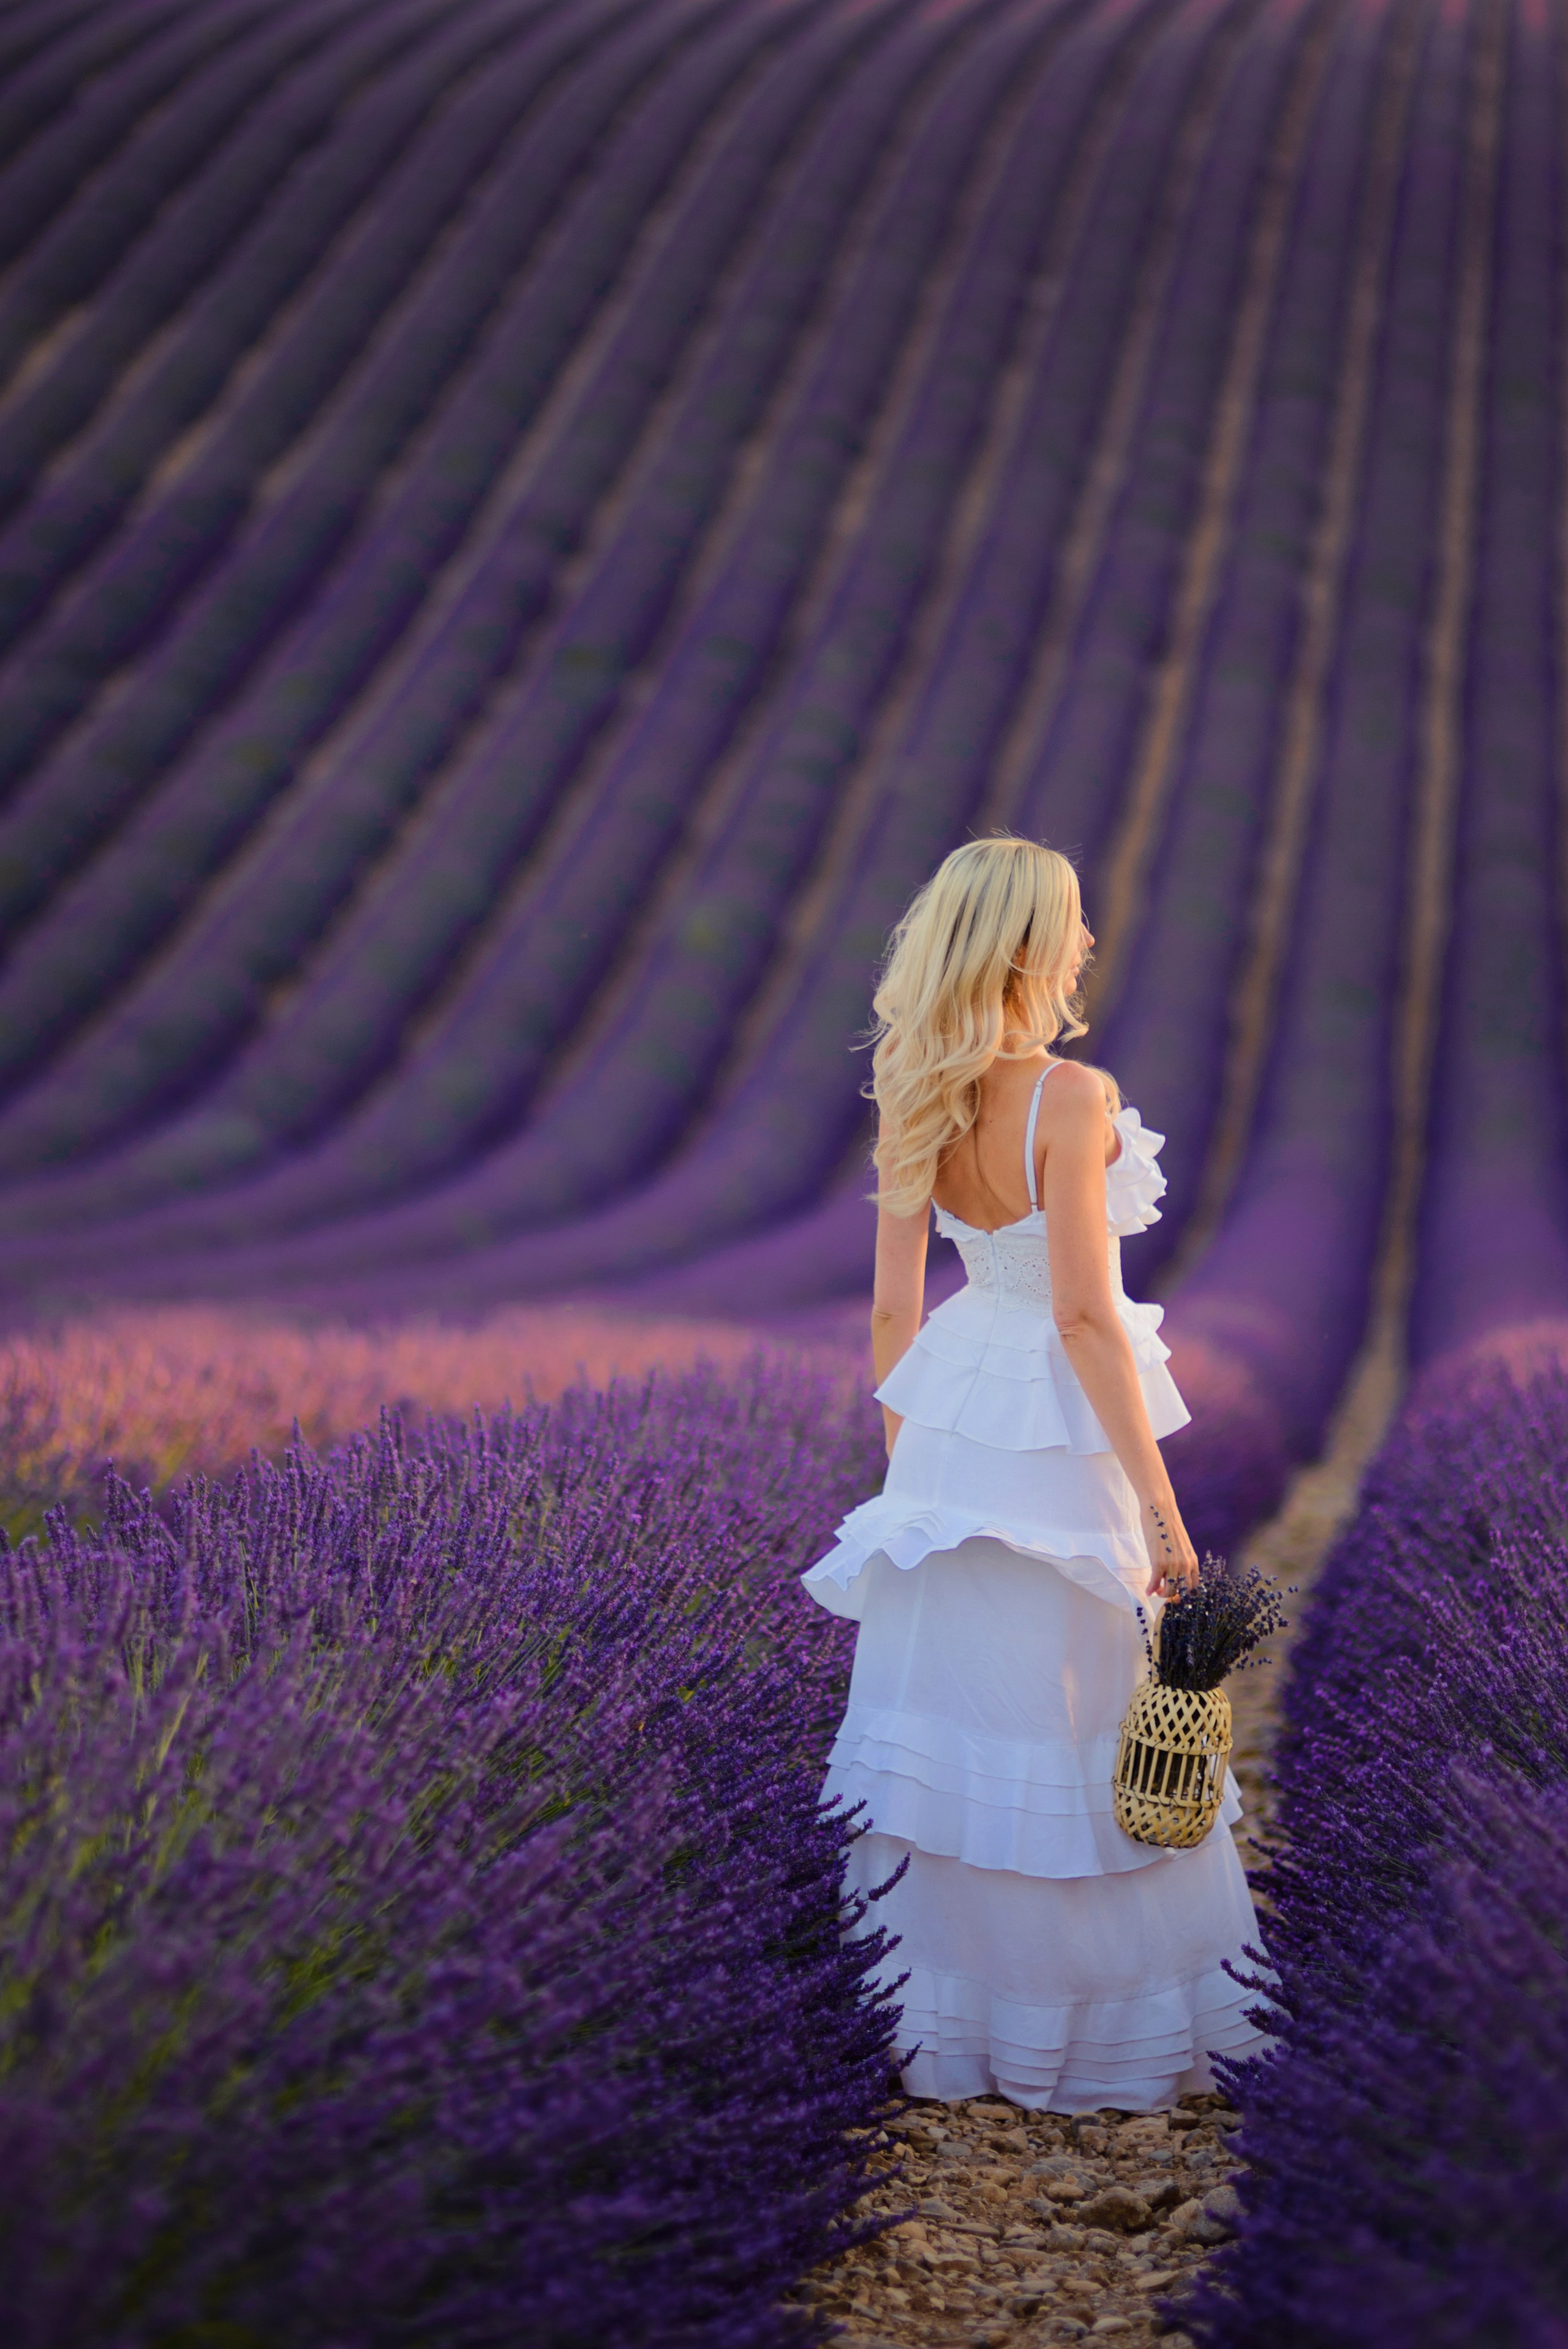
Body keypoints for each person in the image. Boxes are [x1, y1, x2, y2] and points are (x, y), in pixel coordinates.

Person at [801, 835, 1268, 2113]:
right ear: (1026, 946)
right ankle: (1091, 2030)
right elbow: (1082, 1316)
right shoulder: (1071, 1097)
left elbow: (892, 1314)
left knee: (953, 1719)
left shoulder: (917, 1086)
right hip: (1053, 1427)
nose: (1086, 944)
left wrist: (912, 1474)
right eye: (1071, 924)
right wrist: (1163, 1516)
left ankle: (941, 2029)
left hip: (953, 1416)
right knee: (1085, 1711)